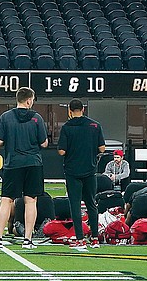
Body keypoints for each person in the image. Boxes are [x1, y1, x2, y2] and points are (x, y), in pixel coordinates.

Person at [0, 87, 48, 250]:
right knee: (31, 200)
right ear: (28, 100)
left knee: (7, 200)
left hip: (13, 164)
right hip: (33, 163)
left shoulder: (6, 117)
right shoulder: (37, 118)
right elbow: (44, 143)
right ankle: (27, 239)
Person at [57, 98, 106, 250]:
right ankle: (95, 238)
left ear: (69, 111)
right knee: (91, 203)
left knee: (75, 204)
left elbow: (61, 151)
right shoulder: (94, 125)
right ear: (83, 109)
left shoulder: (67, 127)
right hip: (90, 170)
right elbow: (102, 148)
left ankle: (80, 239)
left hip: (72, 171)